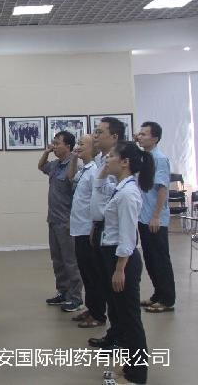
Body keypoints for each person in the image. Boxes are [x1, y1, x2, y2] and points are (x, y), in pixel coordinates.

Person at [98, 141, 153, 384]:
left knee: (130, 319)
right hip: (114, 257)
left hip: (123, 261)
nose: (106, 159)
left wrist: (120, 269)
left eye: (111, 156)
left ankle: (137, 374)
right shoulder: (120, 187)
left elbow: (128, 236)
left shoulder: (129, 194)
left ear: (125, 162)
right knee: (121, 317)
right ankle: (130, 365)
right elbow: (99, 187)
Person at [88, 116, 124, 349]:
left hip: (113, 232)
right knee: (105, 285)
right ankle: (114, 332)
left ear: (114, 137)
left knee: (117, 291)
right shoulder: (102, 160)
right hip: (100, 227)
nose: (95, 136)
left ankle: (120, 337)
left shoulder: (120, 162)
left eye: (100, 132)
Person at [38, 131, 83, 312]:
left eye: (57, 143)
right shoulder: (55, 165)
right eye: (54, 143)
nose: (54, 146)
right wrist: (46, 152)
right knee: (57, 260)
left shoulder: (75, 166)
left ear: (68, 146)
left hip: (67, 221)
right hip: (53, 219)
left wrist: (73, 220)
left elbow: (77, 193)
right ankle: (63, 292)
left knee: (70, 261)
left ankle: (76, 298)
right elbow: (41, 166)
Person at [135, 121, 176, 313]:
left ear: (155, 138)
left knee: (160, 258)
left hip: (154, 217)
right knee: (150, 258)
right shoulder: (144, 157)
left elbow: (162, 188)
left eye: (144, 134)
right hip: (143, 216)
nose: (140, 136)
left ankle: (167, 299)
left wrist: (156, 215)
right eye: (140, 133)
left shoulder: (160, 159)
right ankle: (157, 294)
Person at [66, 133, 106, 328]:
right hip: (78, 228)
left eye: (82, 144)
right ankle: (91, 308)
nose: (78, 146)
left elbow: (97, 203)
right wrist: (74, 158)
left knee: (92, 274)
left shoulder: (94, 172)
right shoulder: (85, 169)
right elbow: (70, 177)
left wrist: (93, 227)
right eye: (78, 143)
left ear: (93, 148)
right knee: (85, 273)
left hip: (87, 229)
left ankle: (98, 314)